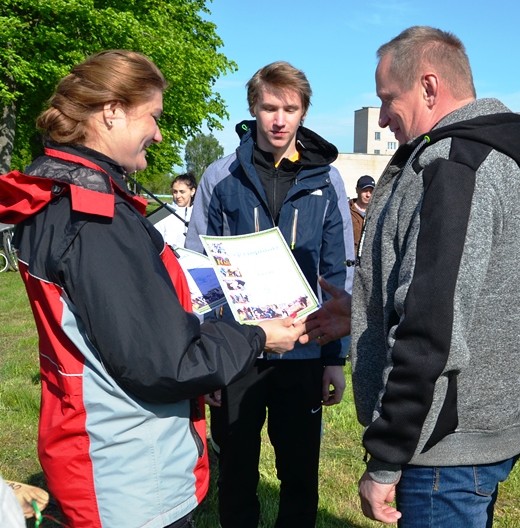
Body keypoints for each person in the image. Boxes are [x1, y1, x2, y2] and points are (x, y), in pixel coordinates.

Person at [0, 50, 304, 528]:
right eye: (154, 117)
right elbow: (167, 363)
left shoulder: (59, 197)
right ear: (112, 111)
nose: (159, 134)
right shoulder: (95, 220)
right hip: (130, 471)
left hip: (101, 449)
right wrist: (258, 336)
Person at [307, 26, 520, 526]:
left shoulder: (456, 166)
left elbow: (431, 327)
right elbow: (470, 290)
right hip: (466, 436)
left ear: (428, 86)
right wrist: (365, 312)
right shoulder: (490, 158)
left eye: (387, 99)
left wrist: (386, 457)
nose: (382, 117)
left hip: (440, 449)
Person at [185, 60, 353, 528]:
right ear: (253, 108)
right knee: (236, 472)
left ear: (304, 113)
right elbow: (199, 268)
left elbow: (338, 272)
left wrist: (334, 358)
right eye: (269, 108)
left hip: (304, 348)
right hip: (238, 350)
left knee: (299, 473)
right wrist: (207, 360)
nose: (279, 120)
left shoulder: (328, 180)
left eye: (290, 109)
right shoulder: (220, 176)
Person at [153, 172, 197, 247]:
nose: (178, 196)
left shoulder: (200, 214)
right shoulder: (163, 213)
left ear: (192, 191)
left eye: (182, 192)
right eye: (175, 192)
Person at [349, 175, 375, 255]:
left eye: (371, 191)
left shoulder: (377, 211)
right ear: (357, 190)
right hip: (350, 258)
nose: (368, 195)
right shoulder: (346, 210)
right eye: (365, 191)